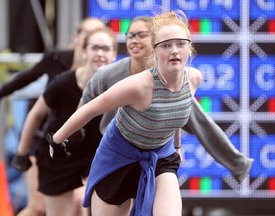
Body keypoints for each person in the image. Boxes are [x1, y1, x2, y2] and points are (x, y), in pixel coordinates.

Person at [48, 11, 202, 216]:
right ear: (155, 52)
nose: (174, 51)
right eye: (166, 45)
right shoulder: (138, 86)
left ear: (189, 48)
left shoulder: (193, 79)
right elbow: (90, 108)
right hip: (119, 156)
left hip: (159, 157)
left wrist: (177, 147)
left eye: (180, 44)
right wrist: (57, 141)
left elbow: (175, 115)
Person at [80, 17, 253, 183]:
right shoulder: (108, 75)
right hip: (115, 152)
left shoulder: (169, 80)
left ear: (156, 41)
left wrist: (178, 148)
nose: (134, 40)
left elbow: (199, 123)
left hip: (154, 154)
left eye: (142, 35)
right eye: (130, 35)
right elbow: (84, 110)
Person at [13, 27, 118, 216]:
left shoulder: (118, 86)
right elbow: (35, 115)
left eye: (106, 48)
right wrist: (21, 153)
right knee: (43, 209)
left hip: (93, 158)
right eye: (95, 48)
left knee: (82, 205)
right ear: (85, 52)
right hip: (59, 158)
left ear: (114, 55)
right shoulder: (63, 83)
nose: (100, 54)